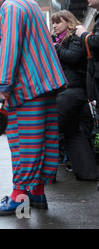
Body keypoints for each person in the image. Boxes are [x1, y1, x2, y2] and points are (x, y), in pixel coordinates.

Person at [0, 0, 67, 215]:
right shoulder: (29, 3)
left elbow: (10, 48)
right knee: (45, 140)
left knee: (24, 143)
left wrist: (3, 86)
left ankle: (18, 198)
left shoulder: (11, 8)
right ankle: (38, 193)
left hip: (26, 88)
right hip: (44, 84)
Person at [52, 10, 98, 181]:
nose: (54, 26)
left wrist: (56, 49)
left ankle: (44, 175)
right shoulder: (60, 41)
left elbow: (74, 57)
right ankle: (88, 173)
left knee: (50, 126)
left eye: (58, 22)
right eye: (53, 23)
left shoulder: (75, 38)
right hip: (70, 91)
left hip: (73, 90)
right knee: (72, 132)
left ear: (68, 22)